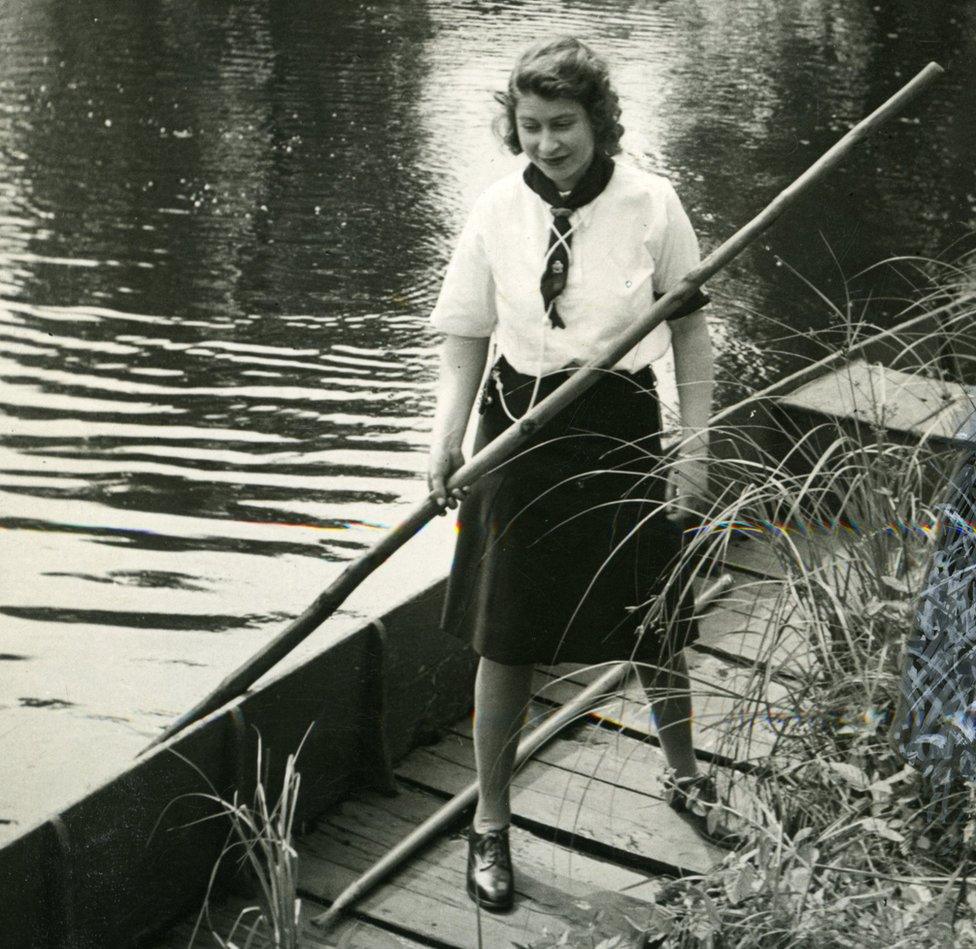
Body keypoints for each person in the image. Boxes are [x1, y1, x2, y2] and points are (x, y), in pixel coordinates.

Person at [426, 36, 729, 913]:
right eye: (530, 126)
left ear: (599, 121)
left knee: (655, 619)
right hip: (517, 426)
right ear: (511, 127)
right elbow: (466, 331)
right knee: (505, 634)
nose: (547, 144)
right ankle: (490, 822)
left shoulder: (652, 204)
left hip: (619, 423)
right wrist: (448, 433)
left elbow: (691, 333)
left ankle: (685, 778)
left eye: (564, 124)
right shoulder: (493, 207)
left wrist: (693, 448)